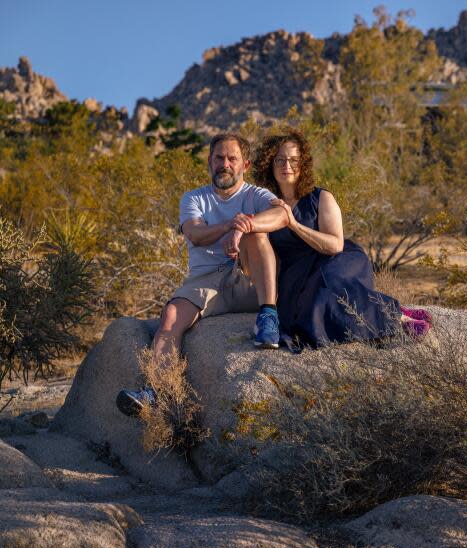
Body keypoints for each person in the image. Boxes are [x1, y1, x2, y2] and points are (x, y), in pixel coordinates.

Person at [116, 133, 289, 416]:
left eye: (232, 158)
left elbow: (282, 215)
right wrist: (228, 225)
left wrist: (241, 229)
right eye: (219, 158)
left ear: (244, 164)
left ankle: (268, 315)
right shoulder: (194, 198)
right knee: (171, 316)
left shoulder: (255, 195)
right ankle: (157, 392)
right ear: (209, 161)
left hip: (249, 279)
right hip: (206, 281)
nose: (225, 164)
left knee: (255, 235)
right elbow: (195, 233)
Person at [253, 129, 431, 350]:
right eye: (279, 160)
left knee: (328, 282)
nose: (286, 166)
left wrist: (293, 224)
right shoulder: (264, 203)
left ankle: (397, 319)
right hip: (297, 273)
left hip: (335, 259)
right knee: (313, 306)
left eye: (293, 160)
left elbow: (335, 245)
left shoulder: (321, 198)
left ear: (303, 164)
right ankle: (394, 309)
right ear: (269, 164)